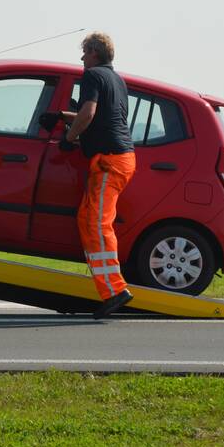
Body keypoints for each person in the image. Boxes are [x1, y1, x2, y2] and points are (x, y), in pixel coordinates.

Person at [55, 32, 137, 318]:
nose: (81, 58)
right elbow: (101, 116)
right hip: (119, 158)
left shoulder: (92, 76)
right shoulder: (117, 80)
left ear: (93, 52)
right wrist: (63, 118)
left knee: (97, 223)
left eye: (84, 52)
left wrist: (69, 137)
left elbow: (88, 113)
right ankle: (108, 288)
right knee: (88, 219)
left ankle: (115, 291)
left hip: (110, 162)